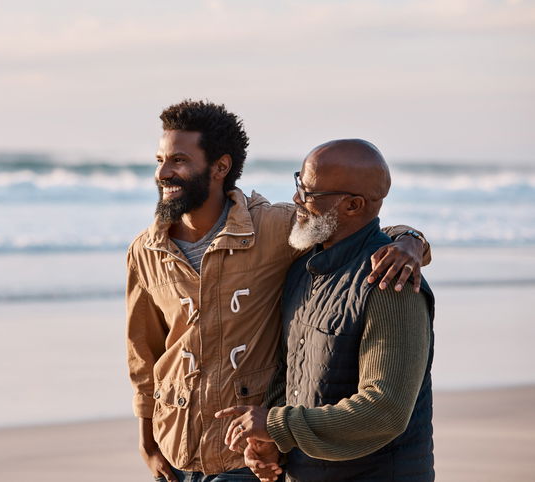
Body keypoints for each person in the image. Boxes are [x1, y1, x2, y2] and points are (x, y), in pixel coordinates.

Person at [126, 102, 430, 481]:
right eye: (160, 159)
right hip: (178, 450)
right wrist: (148, 442)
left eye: (179, 160)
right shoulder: (145, 250)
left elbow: (361, 229)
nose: (163, 172)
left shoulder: (278, 229)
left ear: (220, 167)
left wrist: (411, 242)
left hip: (242, 457)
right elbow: (144, 354)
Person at [216, 139, 435, 481]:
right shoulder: (302, 269)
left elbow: (385, 410)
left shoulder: (391, 285)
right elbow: (289, 372)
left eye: (309, 193)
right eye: (298, 184)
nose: (296, 200)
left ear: (352, 205)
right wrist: (272, 442)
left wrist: (276, 425)